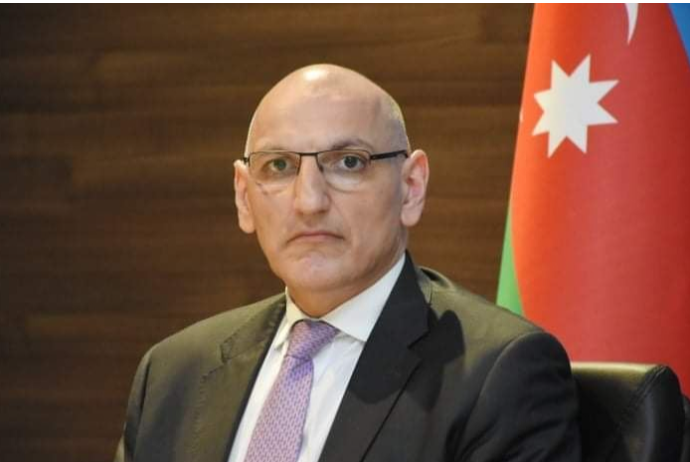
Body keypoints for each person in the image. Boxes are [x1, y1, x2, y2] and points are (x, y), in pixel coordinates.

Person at [114, 64, 581, 462]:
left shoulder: (499, 375)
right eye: (279, 166)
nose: (309, 201)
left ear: (411, 188)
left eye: (348, 163)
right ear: (243, 196)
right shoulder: (173, 373)